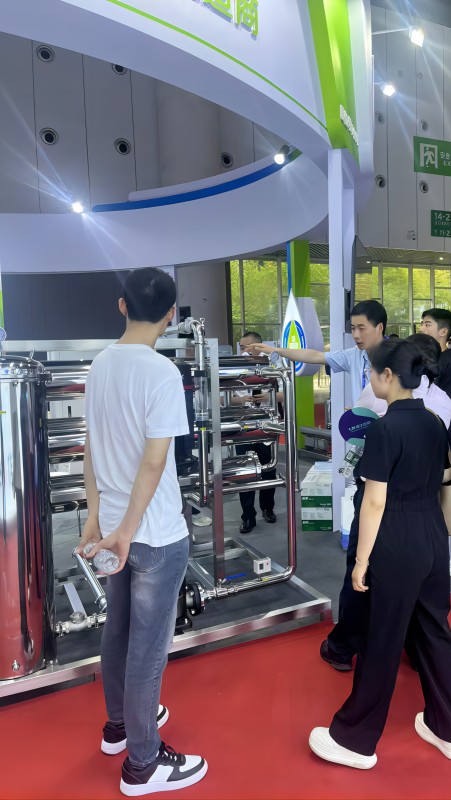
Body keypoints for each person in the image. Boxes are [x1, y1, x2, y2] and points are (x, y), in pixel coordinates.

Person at [75, 268, 207, 796]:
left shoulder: (100, 363)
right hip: (151, 533)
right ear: (172, 315)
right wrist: (128, 529)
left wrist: (96, 518)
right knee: (147, 651)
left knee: (118, 632)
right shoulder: (161, 372)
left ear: (122, 306)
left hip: (114, 527)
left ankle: (118, 727)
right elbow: (155, 463)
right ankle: (143, 764)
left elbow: (91, 446)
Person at [309, 340, 451, 768]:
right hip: (432, 535)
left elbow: (375, 502)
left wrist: (361, 561)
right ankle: (448, 729)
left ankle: (355, 740)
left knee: (381, 638)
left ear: (388, 376)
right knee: (435, 633)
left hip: (395, 540)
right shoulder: (433, 421)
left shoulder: (384, 428)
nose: (369, 378)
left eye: (371, 372)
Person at [320, 334, 451, 672]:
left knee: (363, 581)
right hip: (426, 512)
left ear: (393, 371)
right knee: (423, 596)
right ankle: (420, 654)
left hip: (383, 504)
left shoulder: (391, 414)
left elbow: (374, 499)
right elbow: (441, 466)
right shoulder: (440, 406)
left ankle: (346, 648)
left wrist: (361, 559)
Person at [245, 299, 387, 406]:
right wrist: (276, 350)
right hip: (365, 429)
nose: (355, 335)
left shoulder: (396, 356)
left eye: (361, 328)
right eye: (353, 328)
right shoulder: (353, 355)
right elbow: (315, 356)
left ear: (379, 328)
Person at [420, 309, 451, 575]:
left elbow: (446, 406)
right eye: (422, 323)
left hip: (445, 441)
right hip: (424, 439)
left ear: (443, 331)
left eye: (427, 324)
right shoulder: (424, 360)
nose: (422, 327)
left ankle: (449, 557)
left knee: (448, 498)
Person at [233, 331, 282, 533]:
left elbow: (285, 394)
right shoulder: (235, 369)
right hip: (242, 427)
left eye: (246, 346)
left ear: (258, 347)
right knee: (244, 472)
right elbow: (224, 398)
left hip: (266, 426)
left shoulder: (273, 366)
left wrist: (268, 396)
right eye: (241, 347)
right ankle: (248, 516)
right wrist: (242, 400)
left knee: (268, 470)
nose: (243, 351)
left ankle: (268, 508)